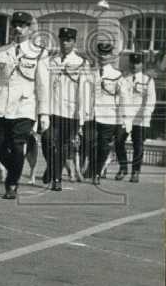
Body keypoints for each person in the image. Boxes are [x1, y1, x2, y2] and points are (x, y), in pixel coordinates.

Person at [0, 12, 50, 199]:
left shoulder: (40, 54)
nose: (18, 28)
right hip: (1, 105)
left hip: (24, 107)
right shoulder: (1, 51)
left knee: (18, 145)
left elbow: (42, 86)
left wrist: (44, 113)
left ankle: (11, 183)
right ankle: (15, 169)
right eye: (15, 25)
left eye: (23, 25)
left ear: (30, 28)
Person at [42, 27, 88, 191]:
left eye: (68, 40)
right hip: (52, 110)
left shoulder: (81, 62)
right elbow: (45, 86)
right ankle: (52, 167)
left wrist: (81, 118)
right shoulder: (51, 61)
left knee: (62, 146)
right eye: (62, 39)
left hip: (71, 113)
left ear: (74, 42)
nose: (64, 43)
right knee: (47, 140)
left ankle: (56, 179)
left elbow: (84, 91)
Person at [82, 41, 124, 183]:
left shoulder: (117, 75)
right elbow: (86, 94)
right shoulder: (91, 73)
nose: (103, 57)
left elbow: (122, 98)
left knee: (103, 146)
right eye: (101, 53)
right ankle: (92, 167)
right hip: (91, 114)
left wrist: (122, 120)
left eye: (106, 54)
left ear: (111, 56)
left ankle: (97, 172)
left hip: (109, 116)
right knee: (90, 143)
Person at [118, 52, 156, 182]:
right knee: (119, 142)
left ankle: (135, 172)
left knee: (138, 145)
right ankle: (123, 168)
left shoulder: (148, 80)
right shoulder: (123, 79)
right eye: (133, 62)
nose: (135, 65)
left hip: (140, 118)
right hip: (126, 117)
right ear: (130, 63)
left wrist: (146, 115)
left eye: (138, 63)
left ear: (142, 64)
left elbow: (151, 100)